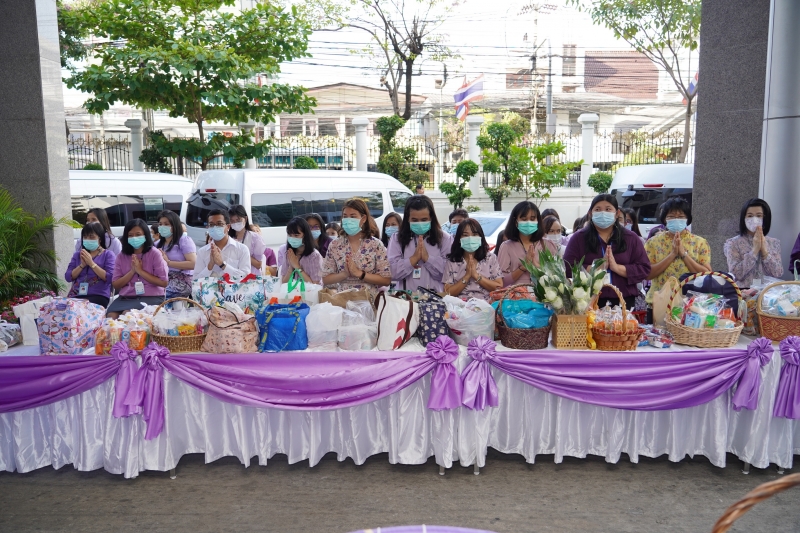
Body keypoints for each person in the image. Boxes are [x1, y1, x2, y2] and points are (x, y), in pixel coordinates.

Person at [563, 194, 651, 309]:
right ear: (590, 213)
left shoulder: (630, 238)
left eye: (608, 209)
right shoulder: (578, 238)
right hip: (588, 302)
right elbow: (567, 268)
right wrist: (595, 268)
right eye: (598, 209)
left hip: (624, 301)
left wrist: (617, 268)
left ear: (617, 214)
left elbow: (644, 268)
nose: (603, 213)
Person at [645, 197, 711, 304]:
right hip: (659, 303)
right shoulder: (653, 242)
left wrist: (684, 254)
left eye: (681, 217)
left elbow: (706, 274)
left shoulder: (700, 242)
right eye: (671, 217)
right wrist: (672, 255)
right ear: (664, 219)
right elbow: (647, 274)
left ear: (687, 219)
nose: (676, 220)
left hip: (690, 304)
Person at [322, 198, 392, 292]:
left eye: (353, 216)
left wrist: (360, 274)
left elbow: (386, 280)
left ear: (363, 219)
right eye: (345, 216)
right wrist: (344, 274)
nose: (348, 220)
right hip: (343, 301)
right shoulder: (335, 245)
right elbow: (325, 279)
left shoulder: (375, 245)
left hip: (369, 301)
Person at [388, 195, 453, 292]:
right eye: (414, 220)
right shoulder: (397, 239)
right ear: (408, 219)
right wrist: (413, 259)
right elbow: (390, 273)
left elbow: (449, 274)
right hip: (405, 300)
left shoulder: (444, 238)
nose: (419, 223)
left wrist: (428, 259)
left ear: (431, 218)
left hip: (434, 300)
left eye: (424, 220)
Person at [107, 218, 169, 318]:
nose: (134, 238)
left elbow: (163, 282)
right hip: (126, 297)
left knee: (127, 315)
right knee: (111, 316)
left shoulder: (154, 253)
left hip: (151, 296)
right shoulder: (121, 256)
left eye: (138, 234)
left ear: (145, 235)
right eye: (130, 235)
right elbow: (116, 284)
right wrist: (132, 271)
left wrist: (140, 271)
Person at [724, 198, 783, 288]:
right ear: (744, 218)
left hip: (768, 294)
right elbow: (735, 274)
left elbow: (778, 273)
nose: (754, 219)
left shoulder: (774, 243)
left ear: (765, 218)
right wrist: (754, 251)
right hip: (743, 293)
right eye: (750, 216)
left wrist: (764, 251)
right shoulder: (733, 243)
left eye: (759, 215)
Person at [497, 201, 558, 286]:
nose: (529, 222)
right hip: (515, 296)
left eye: (532, 219)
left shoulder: (548, 245)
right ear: (516, 222)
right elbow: (502, 282)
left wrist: (538, 267)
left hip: (543, 297)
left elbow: (557, 276)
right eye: (524, 219)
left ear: (538, 220)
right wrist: (523, 267)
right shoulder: (506, 247)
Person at [443, 219, 503, 300]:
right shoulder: (452, 261)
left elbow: (498, 287)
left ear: (480, 237)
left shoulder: (490, 258)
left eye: (474, 234)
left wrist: (476, 276)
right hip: (459, 308)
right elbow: (448, 292)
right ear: (459, 239)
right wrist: (466, 277)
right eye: (465, 235)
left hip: (487, 307)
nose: (470, 238)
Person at [65, 222, 116, 308]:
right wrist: (82, 265)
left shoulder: (108, 255)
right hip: (76, 295)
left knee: (83, 309)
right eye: (85, 237)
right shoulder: (78, 255)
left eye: (91, 237)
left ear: (99, 239)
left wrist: (91, 263)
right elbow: (68, 277)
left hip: (98, 295)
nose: (88, 239)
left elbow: (110, 278)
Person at [193, 209, 252, 281]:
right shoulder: (202, 252)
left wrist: (222, 265)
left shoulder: (242, 249)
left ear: (228, 227)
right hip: (211, 291)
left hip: (235, 292)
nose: (215, 228)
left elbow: (246, 278)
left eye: (219, 224)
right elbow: (195, 282)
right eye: (211, 225)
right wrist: (210, 266)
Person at [155, 210, 197, 299]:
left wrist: (169, 262)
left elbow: (193, 264)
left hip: (182, 280)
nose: (162, 227)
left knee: (159, 295)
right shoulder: (157, 244)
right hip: (163, 278)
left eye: (166, 224)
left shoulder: (184, 240)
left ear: (174, 226)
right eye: (160, 224)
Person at [228, 205, 276, 276]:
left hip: (251, 278)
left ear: (245, 219)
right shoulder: (228, 238)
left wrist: (242, 251)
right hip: (232, 277)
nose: (235, 223)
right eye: (232, 221)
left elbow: (258, 264)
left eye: (238, 220)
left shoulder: (255, 238)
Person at [278, 216, 324, 285]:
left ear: (305, 236)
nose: (292, 238)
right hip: (293, 294)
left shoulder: (314, 256)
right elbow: (284, 283)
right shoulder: (288, 253)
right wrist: (291, 267)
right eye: (290, 235)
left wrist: (298, 267)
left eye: (296, 235)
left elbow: (315, 284)